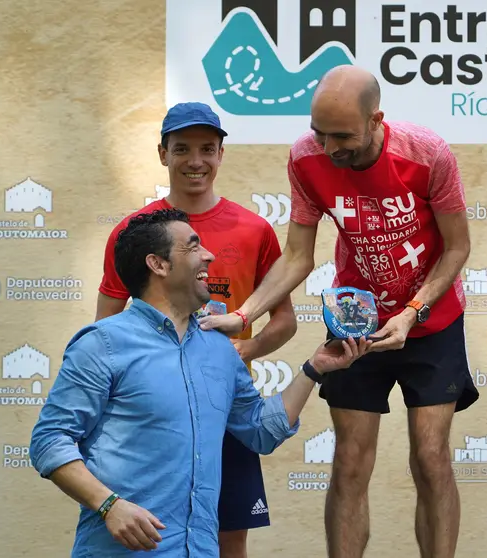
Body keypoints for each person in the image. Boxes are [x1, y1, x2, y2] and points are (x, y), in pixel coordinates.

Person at [200, 65, 478, 558]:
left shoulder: (426, 153)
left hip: (431, 321)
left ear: (377, 119)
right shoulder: (306, 158)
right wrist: (244, 315)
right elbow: (299, 256)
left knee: (431, 457)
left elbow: (457, 248)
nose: (328, 148)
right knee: (349, 460)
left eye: (342, 136)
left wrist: (413, 310)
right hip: (355, 320)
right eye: (319, 133)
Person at [29, 208, 371, 557]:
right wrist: (109, 505)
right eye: (193, 247)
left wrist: (314, 369)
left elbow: (260, 431)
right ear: (158, 264)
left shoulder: (219, 347)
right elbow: (49, 440)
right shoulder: (102, 343)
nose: (208, 255)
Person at [95, 102, 297, 558]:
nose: (195, 160)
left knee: (229, 538)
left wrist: (234, 358)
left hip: (225, 407)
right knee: (148, 530)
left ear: (222, 154)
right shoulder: (134, 231)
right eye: (182, 148)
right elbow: (105, 327)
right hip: (155, 410)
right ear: (163, 153)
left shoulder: (255, 229)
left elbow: (284, 322)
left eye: (208, 148)